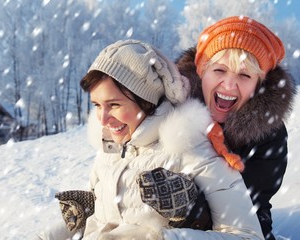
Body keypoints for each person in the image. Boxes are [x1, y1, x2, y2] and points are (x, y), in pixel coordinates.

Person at [37, 39, 264, 240]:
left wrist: (159, 237)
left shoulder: (191, 149)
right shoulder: (108, 152)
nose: (103, 118)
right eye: (97, 105)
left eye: (114, 104)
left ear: (146, 101)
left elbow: (247, 235)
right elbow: (99, 223)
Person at [173, 16, 297, 240]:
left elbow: (241, 202)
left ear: (259, 84)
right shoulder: (172, 113)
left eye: (244, 75)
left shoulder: (269, 134)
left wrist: (182, 202)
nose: (229, 84)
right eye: (219, 70)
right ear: (201, 71)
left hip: (246, 227)